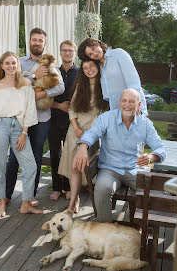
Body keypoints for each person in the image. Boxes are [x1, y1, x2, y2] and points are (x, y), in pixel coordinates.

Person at [71, 88, 166, 222]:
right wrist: (83, 147)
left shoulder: (145, 124)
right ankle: (105, 229)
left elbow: (160, 148)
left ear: (138, 105)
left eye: (132, 101)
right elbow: (92, 133)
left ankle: (140, 225)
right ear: (119, 103)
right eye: (124, 101)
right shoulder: (106, 118)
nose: (127, 104)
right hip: (110, 168)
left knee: (156, 191)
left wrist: (151, 157)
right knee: (102, 188)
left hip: (135, 169)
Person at [4, 28, 65, 207]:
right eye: (34, 40)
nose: (37, 43)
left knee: (36, 157)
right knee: (14, 156)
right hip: (20, 118)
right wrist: (33, 75)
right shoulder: (19, 62)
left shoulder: (50, 65)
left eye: (40, 40)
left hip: (41, 118)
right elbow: (11, 83)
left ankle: (30, 195)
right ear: (29, 41)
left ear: (44, 43)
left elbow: (60, 87)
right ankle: (7, 194)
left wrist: (42, 93)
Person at [0, 51, 43, 217]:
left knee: (30, 165)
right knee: (0, 165)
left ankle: (25, 203)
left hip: (18, 127)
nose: (11, 66)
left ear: (18, 65)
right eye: (7, 63)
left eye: (14, 63)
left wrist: (24, 133)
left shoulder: (25, 83)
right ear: (2, 66)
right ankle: (2, 202)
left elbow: (30, 109)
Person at [58, 60, 109, 212]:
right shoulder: (80, 86)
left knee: (83, 168)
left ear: (98, 67)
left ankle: (88, 202)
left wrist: (91, 132)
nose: (89, 70)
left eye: (91, 66)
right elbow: (72, 109)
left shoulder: (105, 87)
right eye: (85, 68)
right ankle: (74, 200)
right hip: (75, 131)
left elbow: (104, 114)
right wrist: (75, 126)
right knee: (73, 168)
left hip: (93, 133)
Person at [78, 38, 147, 115]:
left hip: (133, 107)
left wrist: (136, 105)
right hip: (116, 111)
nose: (94, 53)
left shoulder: (118, 54)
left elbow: (133, 81)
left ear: (98, 43)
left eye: (93, 48)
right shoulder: (99, 66)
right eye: (90, 54)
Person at [48, 40, 79, 201]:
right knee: (55, 153)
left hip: (73, 121)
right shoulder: (53, 73)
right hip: (54, 117)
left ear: (74, 53)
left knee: (70, 154)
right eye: (64, 50)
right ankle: (57, 187)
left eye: (70, 50)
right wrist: (59, 106)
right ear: (60, 53)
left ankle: (69, 187)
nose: (67, 53)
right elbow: (44, 97)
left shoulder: (80, 73)